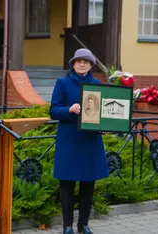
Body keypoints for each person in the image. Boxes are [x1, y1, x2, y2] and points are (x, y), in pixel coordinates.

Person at [49, 48, 109, 234]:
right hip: (69, 141)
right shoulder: (63, 83)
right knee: (67, 184)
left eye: (86, 61)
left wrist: (105, 125)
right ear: (73, 64)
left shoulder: (97, 84)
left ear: (91, 65)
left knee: (88, 184)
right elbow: (53, 111)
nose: (82, 64)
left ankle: (83, 224)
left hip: (90, 141)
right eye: (78, 61)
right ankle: (67, 226)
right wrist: (69, 109)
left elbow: (103, 113)